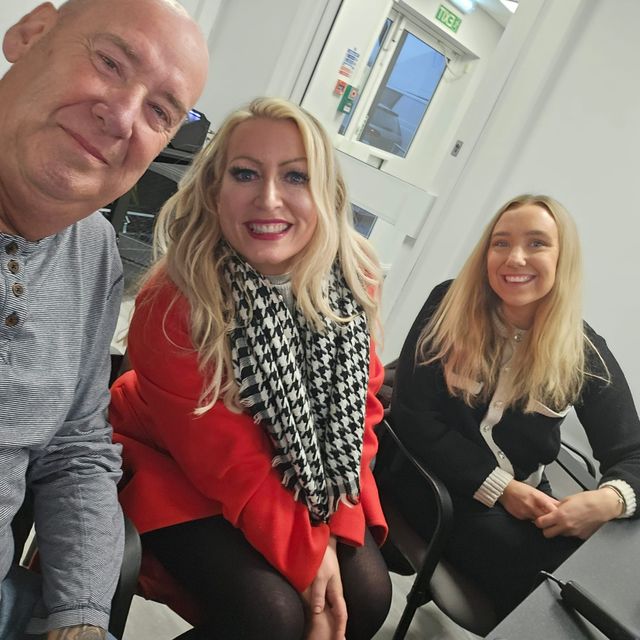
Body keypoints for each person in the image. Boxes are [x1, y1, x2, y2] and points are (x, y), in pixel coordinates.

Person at [109, 97, 392, 640]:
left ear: (326, 195)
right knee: (273, 616)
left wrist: (333, 529)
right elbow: (228, 462)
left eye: (295, 176)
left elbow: (359, 417)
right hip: (172, 462)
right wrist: (311, 557)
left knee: (368, 597)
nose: (268, 199)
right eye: (245, 173)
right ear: (215, 189)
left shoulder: (352, 281)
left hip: (299, 472)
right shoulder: (175, 301)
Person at [0, 0, 208, 638]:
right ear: (31, 34)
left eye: (159, 111)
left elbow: (75, 446)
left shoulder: (92, 251)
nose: (121, 116)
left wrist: (83, 616)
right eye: (110, 62)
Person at [390, 194, 640, 619]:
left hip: (527, 502)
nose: (515, 258)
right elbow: (412, 418)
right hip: (433, 485)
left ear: (563, 260)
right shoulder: (446, 305)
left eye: (537, 243)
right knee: (562, 597)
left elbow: (633, 452)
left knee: (611, 585)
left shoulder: (583, 351)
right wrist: (500, 488)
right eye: (501, 243)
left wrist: (608, 500)